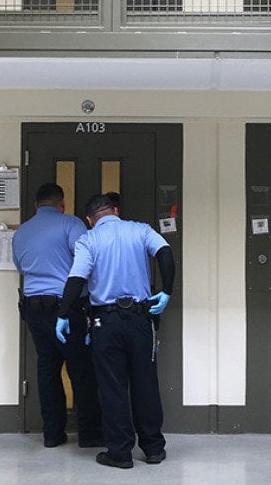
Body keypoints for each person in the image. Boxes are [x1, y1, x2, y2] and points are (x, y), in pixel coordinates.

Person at [56, 193, 174, 469]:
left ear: (89, 220)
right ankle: (153, 448)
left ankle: (120, 453)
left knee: (112, 387)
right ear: (116, 211)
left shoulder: (89, 240)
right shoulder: (141, 230)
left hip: (105, 323)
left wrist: (62, 314)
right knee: (145, 382)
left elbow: (76, 279)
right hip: (141, 319)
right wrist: (167, 291)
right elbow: (165, 253)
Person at [11, 183, 102, 448]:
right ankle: (89, 434)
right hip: (66, 307)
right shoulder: (71, 224)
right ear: (61, 204)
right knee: (80, 371)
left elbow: (20, 267)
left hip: (33, 308)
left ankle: (52, 434)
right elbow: (87, 258)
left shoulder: (21, 233)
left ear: (35, 205)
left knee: (47, 369)